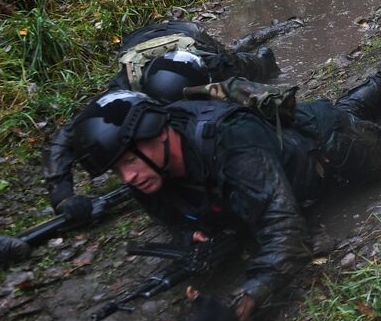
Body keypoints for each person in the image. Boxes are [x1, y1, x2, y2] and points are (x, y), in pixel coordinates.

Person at [67, 50, 381, 321]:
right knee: (337, 110)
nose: (128, 176)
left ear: (156, 135)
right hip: (294, 138)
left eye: (129, 162)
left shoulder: (231, 143)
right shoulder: (149, 171)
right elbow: (178, 218)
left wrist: (237, 307)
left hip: (328, 149)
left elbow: (287, 237)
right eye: (117, 169)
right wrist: (191, 237)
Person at [44, 20, 281, 223]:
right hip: (140, 42)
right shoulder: (124, 93)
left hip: (193, 38)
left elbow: (249, 109)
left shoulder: (215, 70)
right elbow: (68, 135)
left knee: (255, 67)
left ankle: (262, 49)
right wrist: (63, 196)